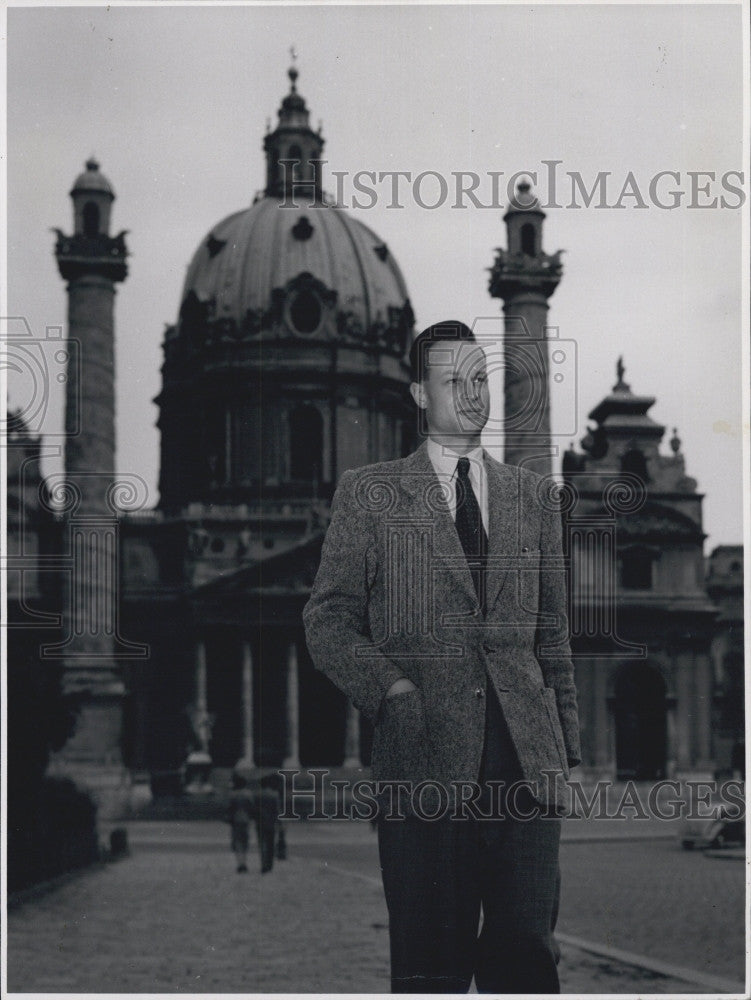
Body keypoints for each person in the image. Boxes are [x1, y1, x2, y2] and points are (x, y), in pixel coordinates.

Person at [303, 320, 580, 993]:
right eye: (453, 381)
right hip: (420, 765)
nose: (473, 394)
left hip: (524, 770)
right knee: (431, 968)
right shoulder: (369, 492)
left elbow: (551, 636)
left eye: (481, 379)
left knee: (527, 958)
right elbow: (328, 618)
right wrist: (391, 690)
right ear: (418, 394)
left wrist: (563, 752)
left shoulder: (532, 497)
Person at [226, 772, 255, 873]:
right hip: (246, 819)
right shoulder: (248, 794)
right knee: (244, 841)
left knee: (237, 842)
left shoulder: (233, 795)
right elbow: (252, 807)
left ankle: (240, 863)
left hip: (235, 820)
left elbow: (229, 808)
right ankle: (244, 861)